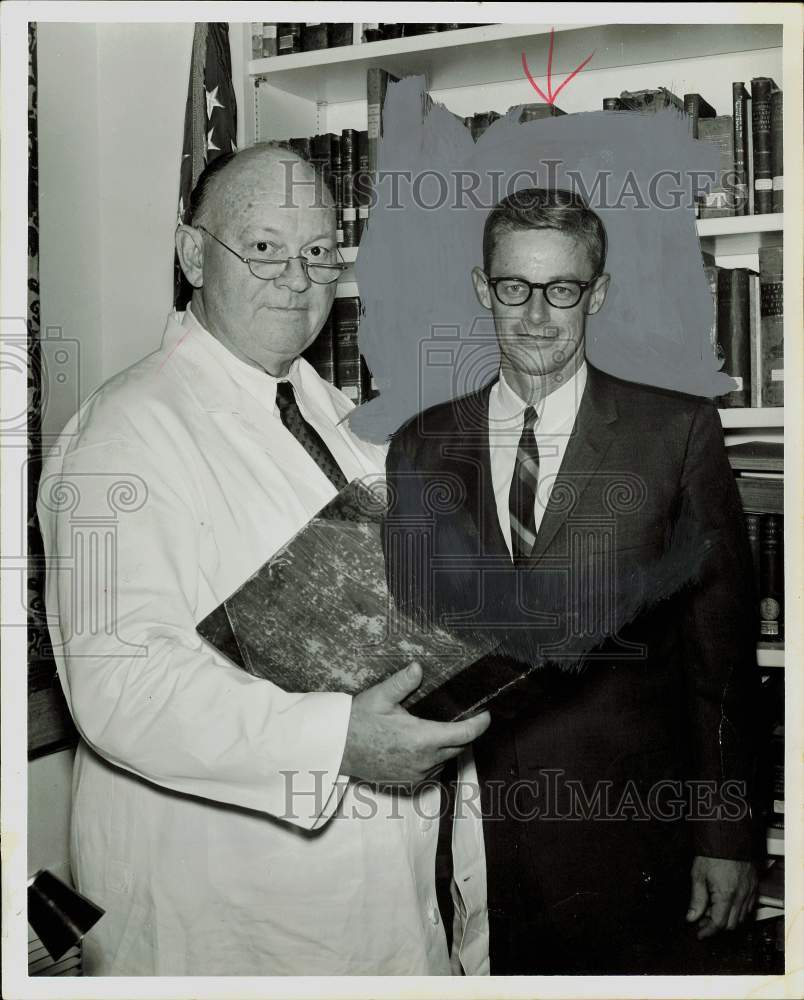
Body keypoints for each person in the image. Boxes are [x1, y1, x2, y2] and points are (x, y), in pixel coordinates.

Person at [37, 144, 490, 976]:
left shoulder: (335, 414)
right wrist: (336, 742)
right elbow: (121, 681)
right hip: (233, 910)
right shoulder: (121, 432)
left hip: (384, 887)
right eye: (265, 246)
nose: (297, 275)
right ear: (193, 254)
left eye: (319, 250)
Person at [384, 187, 761, 975]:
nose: (537, 315)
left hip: (627, 835)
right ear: (484, 289)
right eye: (514, 288)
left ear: (599, 293)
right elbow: (407, 637)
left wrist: (726, 833)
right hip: (464, 832)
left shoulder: (676, 432)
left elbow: (720, 663)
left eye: (563, 290)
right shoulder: (421, 444)